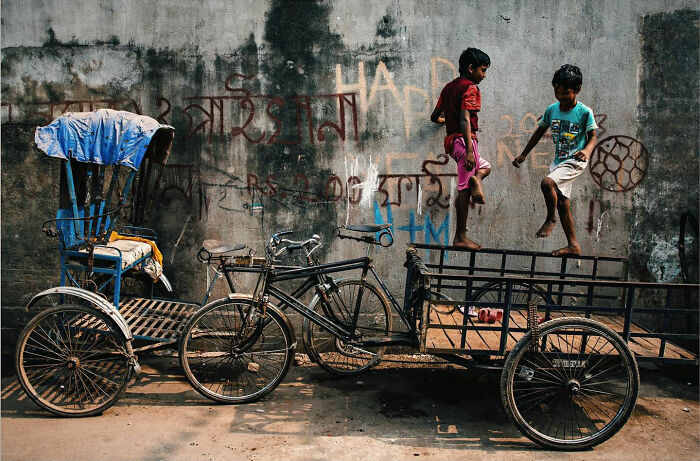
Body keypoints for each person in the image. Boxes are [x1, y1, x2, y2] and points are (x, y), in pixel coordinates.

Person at [512, 64, 597, 256]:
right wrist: (524, 154)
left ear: (577, 90)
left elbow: (593, 136)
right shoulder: (552, 110)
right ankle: (573, 245)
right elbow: (539, 132)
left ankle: (551, 219)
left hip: (576, 160)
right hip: (560, 161)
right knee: (563, 204)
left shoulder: (584, 112)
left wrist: (587, 151)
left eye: (566, 94)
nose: (561, 98)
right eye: (557, 93)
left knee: (546, 183)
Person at [430, 48, 491, 250]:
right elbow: (465, 120)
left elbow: (434, 116)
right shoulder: (471, 88)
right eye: (483, 70)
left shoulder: (448, 88)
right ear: (471, 68)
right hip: (465, 142)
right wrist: (470, 151)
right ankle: (460, 237)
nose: (484, 75)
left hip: (451, 141)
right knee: (464, 189)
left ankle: (478, 179)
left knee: (485, 167)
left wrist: (445, 122)